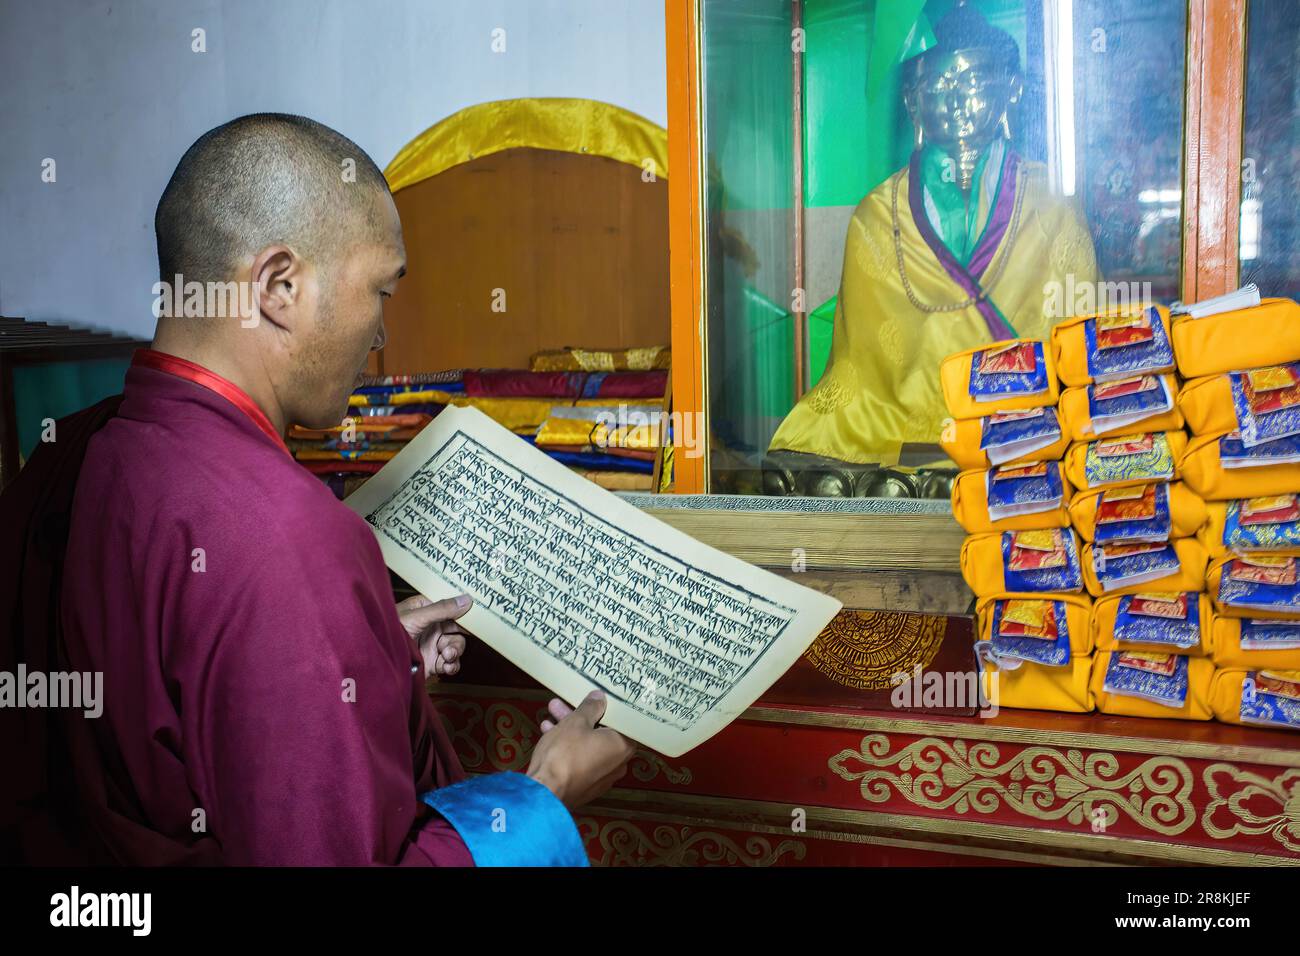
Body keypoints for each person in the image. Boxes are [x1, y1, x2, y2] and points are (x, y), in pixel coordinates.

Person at [0, 113, 635, 865]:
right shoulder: (283, 533)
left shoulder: (66, 455)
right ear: (278, 286)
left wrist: (363, 663)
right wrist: (543, 795)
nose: (380, 336)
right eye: (380, 292)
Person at [768, 3, 1100, 468]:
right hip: (903, 429)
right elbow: (862, 376)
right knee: (806, 467)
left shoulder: (1054, 209)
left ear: (1012, 88)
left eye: (975, 79)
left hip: (1025, 430)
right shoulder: (878, 216)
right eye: (939, 85)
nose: (957, 99)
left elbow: (1079, 348)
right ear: (912, 101)